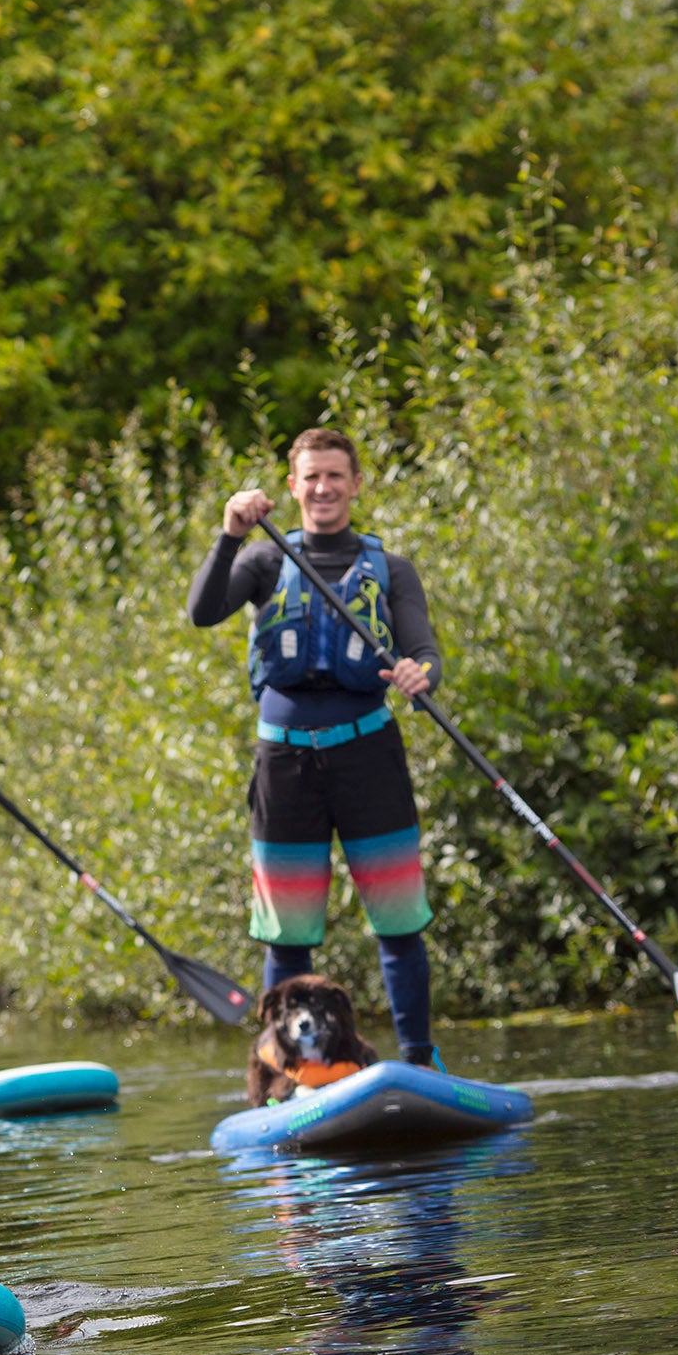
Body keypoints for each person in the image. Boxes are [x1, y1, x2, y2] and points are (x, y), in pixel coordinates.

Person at [187, 429, 447, 1068]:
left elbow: (425, 652)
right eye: (311, 478)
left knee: (398, 918)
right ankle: (290, 1066)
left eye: (335, 476)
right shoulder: (263, 560)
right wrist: (228, 535)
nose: (323, 488)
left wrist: (422, 675)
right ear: (293, 486)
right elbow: (201, 611)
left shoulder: (391, 568)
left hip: (368, 758)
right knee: (289, 930)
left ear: (357, 483)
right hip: (286, 765)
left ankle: (417, 1059)